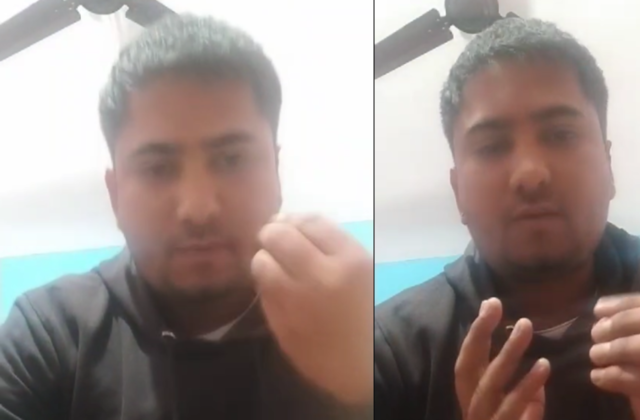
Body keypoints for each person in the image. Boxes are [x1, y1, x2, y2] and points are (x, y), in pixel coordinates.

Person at [0, 14, 373, 420]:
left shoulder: (342, 324)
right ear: (115, 194)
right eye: (158, 168)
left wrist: (359, 388)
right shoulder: (49, 334)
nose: (198, 208)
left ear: (276, 173)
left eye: (231, 160)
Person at [374, 17, 640, 420]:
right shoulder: (389, 353)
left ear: (609, 166)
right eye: (491, 146)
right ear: (458, 192)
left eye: (561, 135)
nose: (530, 173)